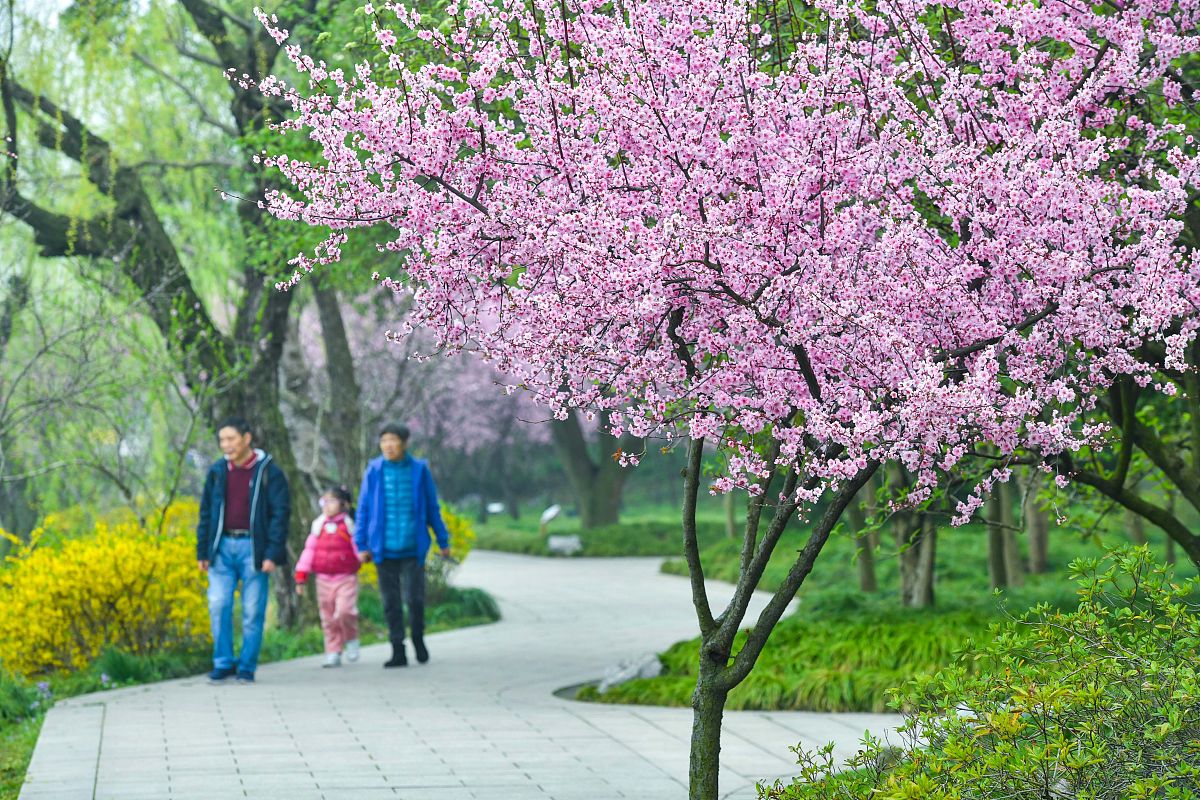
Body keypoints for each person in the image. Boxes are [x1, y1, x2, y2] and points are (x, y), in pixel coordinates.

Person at [196, 416, 290, 684]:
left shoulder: (269, 471)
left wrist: (272, 553)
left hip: (254, 548)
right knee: (218, 604)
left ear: (246, 439)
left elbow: (280, 514)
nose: (226, 445)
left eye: (231, 439)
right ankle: (223, 662)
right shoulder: (217, 471)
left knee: (252, 610)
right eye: (222, 440)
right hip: (221, 547)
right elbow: (206, 513)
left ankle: (247, 665)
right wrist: (202, 551)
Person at [355, 423, 452, 667]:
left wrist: (443, 541)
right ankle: (397, 648)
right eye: (384, 440)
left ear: (404, 443)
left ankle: (418, 638)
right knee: (390, 603)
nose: (388, 445)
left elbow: (432, 508)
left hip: (413, 547)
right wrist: (361, 544)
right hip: (383, 548)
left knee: (415, 599)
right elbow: (363, 508)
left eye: (393, 440)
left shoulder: (420, 470)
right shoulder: (374, 470)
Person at [294, 486, 361, 668]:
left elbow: (358, 546)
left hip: (346, 577)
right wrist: (301, 576)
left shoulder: (349, 524)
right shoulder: (318, 525)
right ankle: (333, 651)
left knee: (345, 611)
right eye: (324, 501)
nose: (327, 505)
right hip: (323, 579)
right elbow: (309, 551)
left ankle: (351, 638)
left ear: (343, 504)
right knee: (329, 617)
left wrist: (364, 556)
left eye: (331, 501)